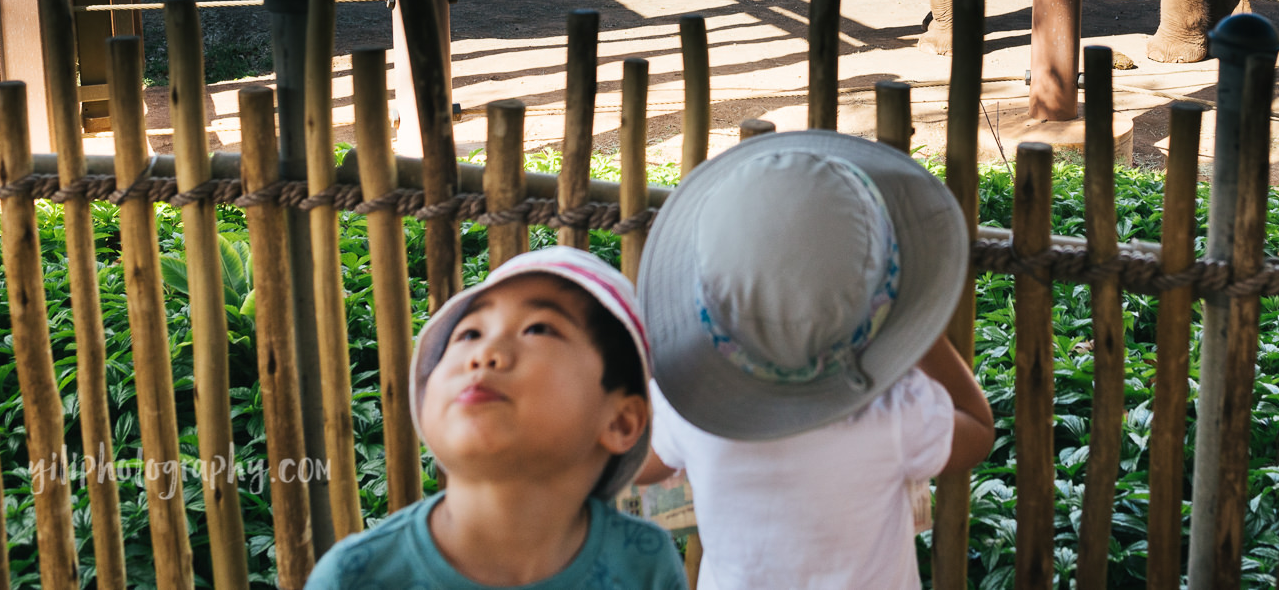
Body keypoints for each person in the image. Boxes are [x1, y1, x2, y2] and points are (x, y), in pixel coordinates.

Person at [635, 130, 995, 590]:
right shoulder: (893, 413)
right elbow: (978, 431)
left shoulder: (689, 409)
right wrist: (918, 332)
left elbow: (640, 463)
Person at [308, 247, 687, 590]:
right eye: (469, 333)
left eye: (538, 328)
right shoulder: (354, 576)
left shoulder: (644, 564)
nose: (485, 353)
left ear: (621, 422)